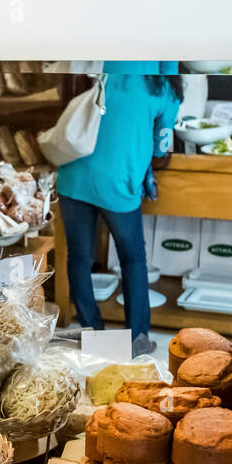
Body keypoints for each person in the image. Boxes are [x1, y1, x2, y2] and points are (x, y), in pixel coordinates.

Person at [56, 62, 181, 355]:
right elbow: (162, 150)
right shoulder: (164, 87)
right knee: (133, 258)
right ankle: (137, 338)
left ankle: (92, 334)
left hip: (73, 175)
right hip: (117, 184)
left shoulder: (106, 69)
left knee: (79, 259)